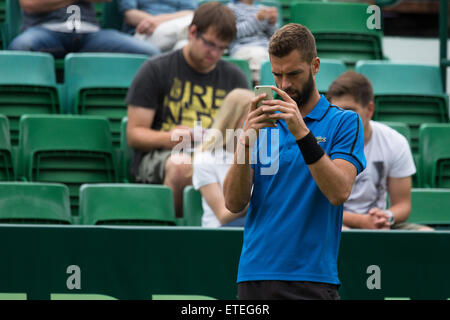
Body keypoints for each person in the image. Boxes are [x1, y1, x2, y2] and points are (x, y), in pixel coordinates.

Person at [223, 23, 366, 300]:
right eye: (277, 75)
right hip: (255, 275)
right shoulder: (261, 124)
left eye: (293, 74)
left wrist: (301, 132)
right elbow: (233, 202)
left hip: (312, 276)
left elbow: (339, 192)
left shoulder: (344, 121)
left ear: (315, 65)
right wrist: (245, 142)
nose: (284, 84)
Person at [125, 2, 249, 218]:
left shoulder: (234, 76)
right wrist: (169, 137)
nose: (215, 53)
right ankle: (178, 232)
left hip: (217, 154)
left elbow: (244, 128)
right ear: (192, 32)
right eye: (210, 44)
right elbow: (134, 135)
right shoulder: (156, 69)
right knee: (181, 165)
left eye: (222, 48)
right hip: (163, 154)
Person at [327, 71, 433, 231]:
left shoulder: (395, 142)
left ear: (369, 110)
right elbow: (319, 208)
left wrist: (386, 217)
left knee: (428, 235)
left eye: (349, 112)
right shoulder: (322, 142)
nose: (341, 120)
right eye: (336, 111)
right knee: (343, 232)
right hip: (335, 223)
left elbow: (403, 205)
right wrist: (361, 221)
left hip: (378, 223)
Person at [8, 0, 160, 58]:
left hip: (91, 34)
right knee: (21, 47)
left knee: (150, 53)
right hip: (45, 31)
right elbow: (30, 4)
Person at [193, 88, 253, 228]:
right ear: (234, 120)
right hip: (222, 232)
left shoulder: (261, 152)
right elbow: (224, 215)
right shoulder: (205, 159)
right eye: (250, 118)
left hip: (252, 227)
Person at [228, 0, 279, 84]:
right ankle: (260, 91)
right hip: (242, 48)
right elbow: (233, 32)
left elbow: (273, 36)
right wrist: (256, 20)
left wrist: (272, 23)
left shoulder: (263, 8)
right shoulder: (230, 9)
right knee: (257, 55)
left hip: (265, 48)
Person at [119, 0, 197, 52]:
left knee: (183, 45)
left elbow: (190, 12)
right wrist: (153, 22)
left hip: (176, 27)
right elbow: (129, 15)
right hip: (145, 33)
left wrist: (158, 21)